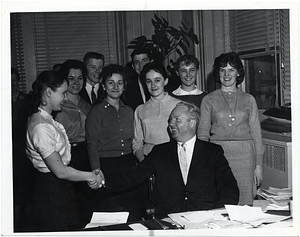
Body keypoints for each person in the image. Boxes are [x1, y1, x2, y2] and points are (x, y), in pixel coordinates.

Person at [96, 101, 239, 217]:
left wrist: (217, 215)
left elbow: (229, 187)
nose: (171, 124)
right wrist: (101, 181)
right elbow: (133, 176)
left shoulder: (212, 152)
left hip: (204, 217)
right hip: (169, 217)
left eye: (177, 120)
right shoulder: (160, 151)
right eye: (170, 120)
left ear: (192, 122)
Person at [26, 70, 101, 232]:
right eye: (63, 93)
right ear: (48, 93)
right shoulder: (41, 126)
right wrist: (90, 176)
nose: (66, 98)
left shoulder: (46, 119)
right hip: (51, 191)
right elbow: (60, 171)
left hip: (60, 189)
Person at [197, 52, 264, 206]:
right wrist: (202, 162)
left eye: (231, 69)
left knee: (245, 202)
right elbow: (202, 134)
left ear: (238, 73)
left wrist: (258, 165)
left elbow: (256, 133)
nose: (227, 74)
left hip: (245, 156)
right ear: (217, 73)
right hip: (218, 154)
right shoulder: (208, 99)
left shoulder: (249, 99)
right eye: (222, 70)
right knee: (222, 202)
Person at [85, 64, 141, 220]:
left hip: (128, 165)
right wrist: (96, 170)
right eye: (111, 82)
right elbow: (92, 144)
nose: (115, 87)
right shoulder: (96, 112)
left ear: (124, 86)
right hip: (107, 167)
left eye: (120, 83)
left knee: (132, 213)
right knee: (111, 214)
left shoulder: (129, 111)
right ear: (103, 85)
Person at [54, 59, 95, 225]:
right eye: (71, 78)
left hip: (88, 154)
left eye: (80, 78)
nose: (76, 83)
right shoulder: (58, 106)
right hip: (68, 156)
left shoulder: (88, 105)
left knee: (89, 204)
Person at [133, 62, 181, 162]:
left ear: (166, 81)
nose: (153, 85)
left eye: (157, 80)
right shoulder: (140, 109)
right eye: (149, 81)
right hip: (149, 159)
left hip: (173, 159)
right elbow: (137, 143)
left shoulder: (179, 105)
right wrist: (144, 163)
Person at [11, 68, 37, 231]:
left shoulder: (27, 100)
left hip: (23, 151)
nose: (12, 84)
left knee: (25, 188)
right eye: (8, 81)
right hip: (7, 151)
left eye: (15, 80)